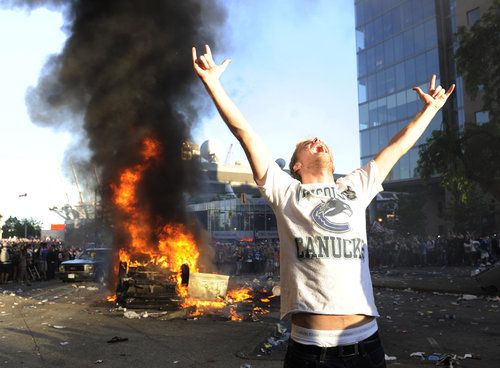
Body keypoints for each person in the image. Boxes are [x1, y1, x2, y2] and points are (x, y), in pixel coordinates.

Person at [192, 45, 454, 368]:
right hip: (310, 353)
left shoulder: (356, 186)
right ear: (297, 166)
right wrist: (213, 84)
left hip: (366, 348)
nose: (318, 140)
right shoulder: (284, 191)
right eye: (307, 144)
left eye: (321, 141)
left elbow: (396, 148)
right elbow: (244, 133)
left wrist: (429, 110)